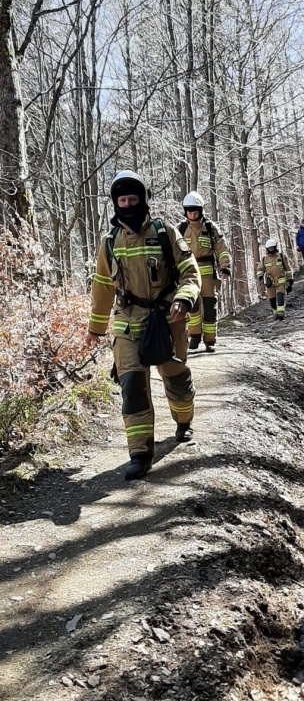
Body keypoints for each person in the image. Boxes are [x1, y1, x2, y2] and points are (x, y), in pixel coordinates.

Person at [85, 171, 201, 480]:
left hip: (166, 321)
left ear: (142, 201)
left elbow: (190, 272)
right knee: (133, 388)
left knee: (176, 381)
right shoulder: (109, 243)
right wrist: (95, 329)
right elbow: (101, 288)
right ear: (115, 203)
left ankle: (183, 421)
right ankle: (139, 453)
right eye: (121, 200)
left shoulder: (166, 233)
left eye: (132, 199)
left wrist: (184, 299)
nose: (127, 205)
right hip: (127, 324)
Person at [179, 191, 231, 352]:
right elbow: (171, 252)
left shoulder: (210, 228)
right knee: (192, 307)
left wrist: (225, 267)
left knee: (210, 307)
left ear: (200, 211)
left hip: (209, 274)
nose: (192, 215)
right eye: (189, 211)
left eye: (195, 211)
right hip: (188, 275)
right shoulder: (180, 229)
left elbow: (222, 249)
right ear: (185, 211)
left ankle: (210, 340)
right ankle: (194, 336)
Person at [257, 238, 293, 320]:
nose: (271, 250)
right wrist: (260, 276)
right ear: (267, 249)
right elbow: (260, 269)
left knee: (280, 297)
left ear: (275, 247)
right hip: (270, 284)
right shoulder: (264, 259)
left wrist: (290, 279)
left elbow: (287, 269)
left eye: (272, 248)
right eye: (269, 248)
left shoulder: (280, 257)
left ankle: (281, 313)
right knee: (272, 299)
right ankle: (275, 311)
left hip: (280, 282)